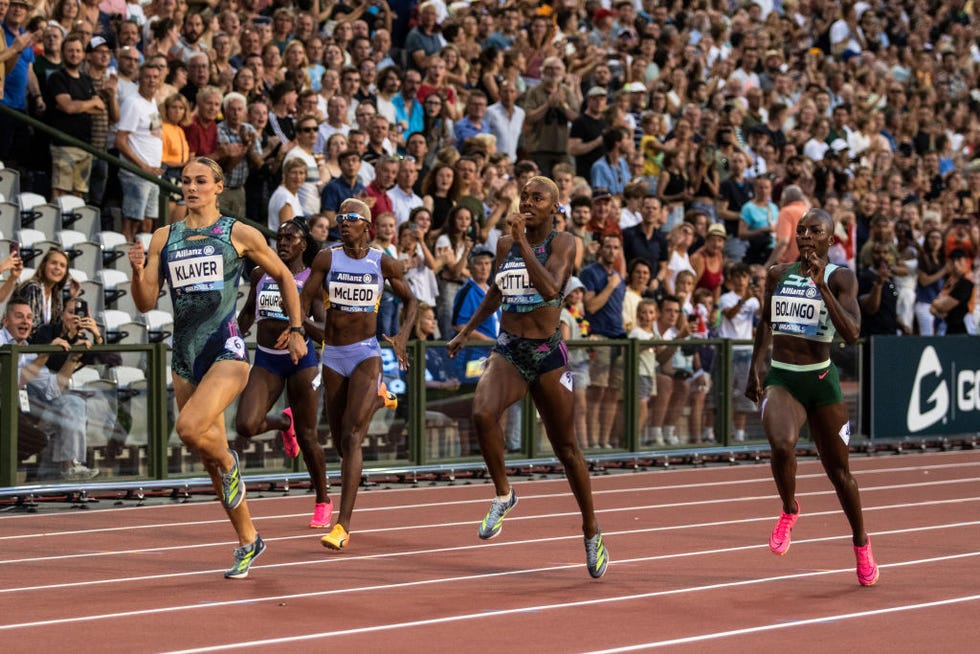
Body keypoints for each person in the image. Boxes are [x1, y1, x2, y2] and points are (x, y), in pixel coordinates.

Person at [128, 157, 308, 580]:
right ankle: (249, 540)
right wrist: (137, 271)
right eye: (185, 181)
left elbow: (283, 276)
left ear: (218, 187)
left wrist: (297, 328)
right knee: (207, 459)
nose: (191, 187)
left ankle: (231, 465)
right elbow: (145, 301)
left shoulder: (236, 233)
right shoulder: (163, 237)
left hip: (226, 349)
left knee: (190, 431)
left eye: (200, 181)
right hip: (184, 356)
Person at [447, 176, 609, 579]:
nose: (528, 202)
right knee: (482, 413)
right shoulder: (504, 244)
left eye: (538, 198)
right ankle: (505, 493)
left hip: (547, 353)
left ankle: (591, 529)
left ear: (555, 206)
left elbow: (552, 287)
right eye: (525, 197)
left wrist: (521, 242)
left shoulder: (564, 243)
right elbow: (499, 292)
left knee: (567, 448)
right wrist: (469, 329)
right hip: (510, 349)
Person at [745, 208, 879, 587]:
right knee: (782, 445)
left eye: (813, 231)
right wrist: (756, 367)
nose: (804, 235)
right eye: (801, 230)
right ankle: (789, 509)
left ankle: (861, 542)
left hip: (821, 382)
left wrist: (821, 286)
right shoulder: (776, 274)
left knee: (840, 474)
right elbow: (767, 323)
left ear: (829, 240)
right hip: (782, 378)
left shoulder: (841, 278)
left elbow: (852, 334)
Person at [300, 197, 418, 551]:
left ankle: (342, 526)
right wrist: (299, 327)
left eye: (350, 218)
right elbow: (304, 299)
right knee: (338, 441)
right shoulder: (326, 258)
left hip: (367, 353)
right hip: (333, 355)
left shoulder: (382, 262)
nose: (343, 222)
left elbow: (412, 301)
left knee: (353, 438)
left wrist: (401, 336)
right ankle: (378, 399)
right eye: (339, 218)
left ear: (367, 225)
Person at [235, 219, 330, 528]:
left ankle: (322, 499)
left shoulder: (311, 280)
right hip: (267, 360)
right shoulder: (260, 273)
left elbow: (326, 330)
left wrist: (298, 328)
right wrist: (232, 336)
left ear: (304, 244)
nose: (284, 241)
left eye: (292, 237)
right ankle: (282, 422)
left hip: (302, 364)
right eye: (280, 236)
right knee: (246, 425)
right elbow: (249, 312)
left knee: (308, 437)